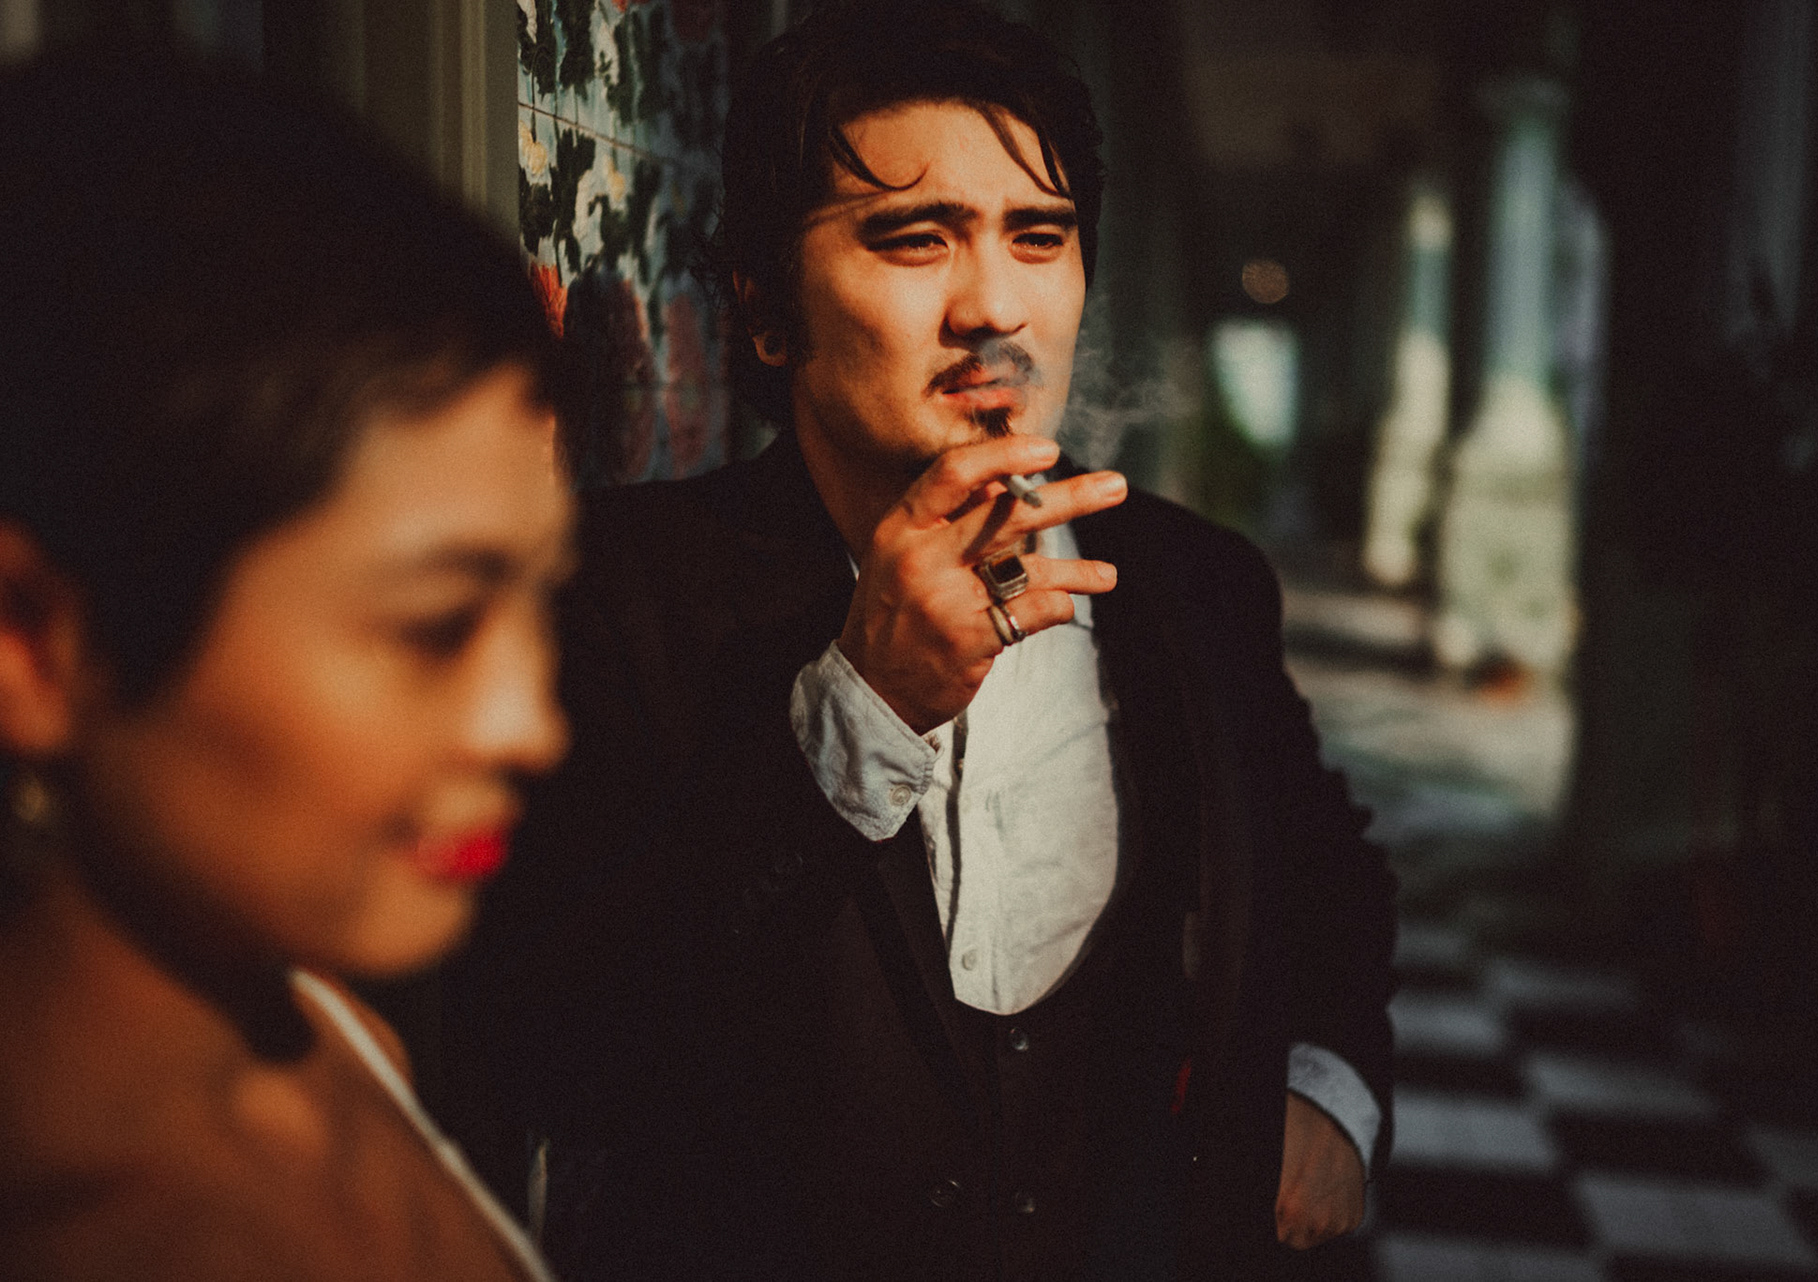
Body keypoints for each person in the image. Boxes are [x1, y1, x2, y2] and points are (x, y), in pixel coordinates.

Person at [450, 2, 1397, 1278]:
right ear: (766, 304)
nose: (992, 304)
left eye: (1040, 237)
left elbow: (1320, 868)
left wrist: (1330, 1081)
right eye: (912, 239)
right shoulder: (619, 594)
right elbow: (554, 1045)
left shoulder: (1193, 587)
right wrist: (862, 711)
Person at [0, 48, 573, 1280]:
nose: (532, 726)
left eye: (542, 602)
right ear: (37, 641)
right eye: (435, 625)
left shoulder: (340, 1036)